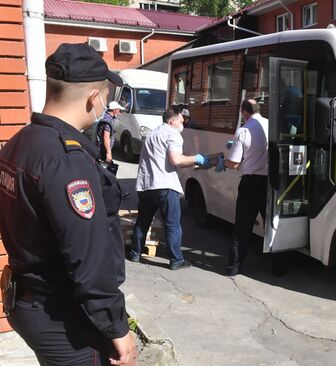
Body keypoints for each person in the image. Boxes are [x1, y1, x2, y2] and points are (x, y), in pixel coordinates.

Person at [0, 43, 136, 365]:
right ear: (94, 98)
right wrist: (117, 327)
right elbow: (89, 259)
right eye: (105, 98)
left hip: (29, 302)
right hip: (63, 317)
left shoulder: (19, 143)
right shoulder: (66, 160)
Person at [127, 106, 209, 270]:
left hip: (147, 185)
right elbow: (176, 160)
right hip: (164, 185)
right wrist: (197, 158)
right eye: (180, 120)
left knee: (143, 221)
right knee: (172, 225)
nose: (183, 123)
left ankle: (135, 252)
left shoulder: (153, 134)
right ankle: (176, 260)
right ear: (172, 121)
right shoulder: (173, 134)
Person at [216, 99, 268, 276]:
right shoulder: (270, 126)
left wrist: (224, 162)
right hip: (269, 184)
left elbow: (234, 163)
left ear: (244, 113)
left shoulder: (244, 130)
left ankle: (233, 267)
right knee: (272, 227)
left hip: (250, 185)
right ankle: (277, 266)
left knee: (242, 228)